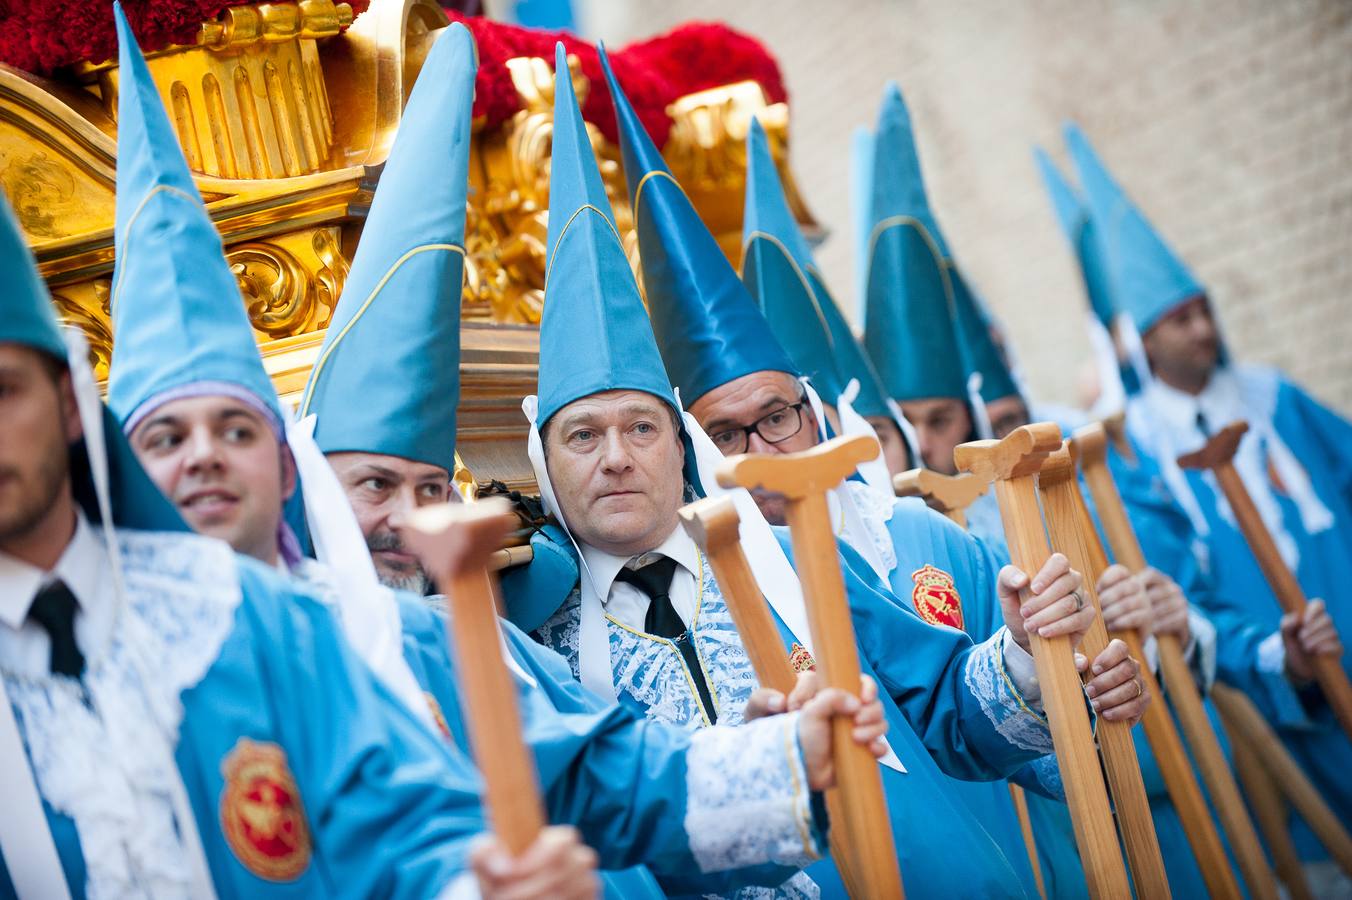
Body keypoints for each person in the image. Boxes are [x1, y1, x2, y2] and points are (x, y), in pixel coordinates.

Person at [105, 17, 884, 898]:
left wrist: (783, 757)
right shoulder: (51, 681)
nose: (205, 461)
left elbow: (602, 775)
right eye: (166, 439)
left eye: (237, 432)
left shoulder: (410, 639)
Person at [1057, 125, 1352, 883]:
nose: (1203, 330)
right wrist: (1271, 651)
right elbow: (1176, 593)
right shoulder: (1136, 453)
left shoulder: (1274, 397)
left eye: (1203, 311)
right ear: (1145, 342)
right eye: (1179, 320)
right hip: (1291, 688)